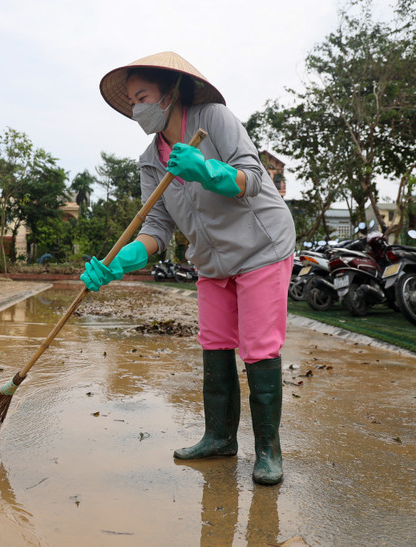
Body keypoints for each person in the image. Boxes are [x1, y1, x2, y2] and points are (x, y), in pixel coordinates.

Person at [81, 52, 296, 485]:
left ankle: (269, 451)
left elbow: (253, 178)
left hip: (261, 246)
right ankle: (219, 438)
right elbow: (157, 229)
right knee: (215, 343)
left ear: (170, 93)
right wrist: (118, 262)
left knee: (257, 348)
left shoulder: (212, 118)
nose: (138, 108)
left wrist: (207, 171)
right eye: (133, 102)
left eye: (143, 96)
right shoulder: (149, 160)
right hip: (211, 261)